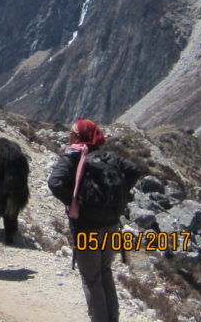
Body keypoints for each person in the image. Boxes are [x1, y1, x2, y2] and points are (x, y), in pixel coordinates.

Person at [48, 118, 145, 322]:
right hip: (111, 225)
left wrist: (75, 201)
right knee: (105, 272)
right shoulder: (109, 157)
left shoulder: (73, 156)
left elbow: (55, 182)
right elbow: (135, 170)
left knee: (91, 279)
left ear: (79, 137)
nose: (68, 135)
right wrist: (119, 195)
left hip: (86, 228)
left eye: (72, 132)